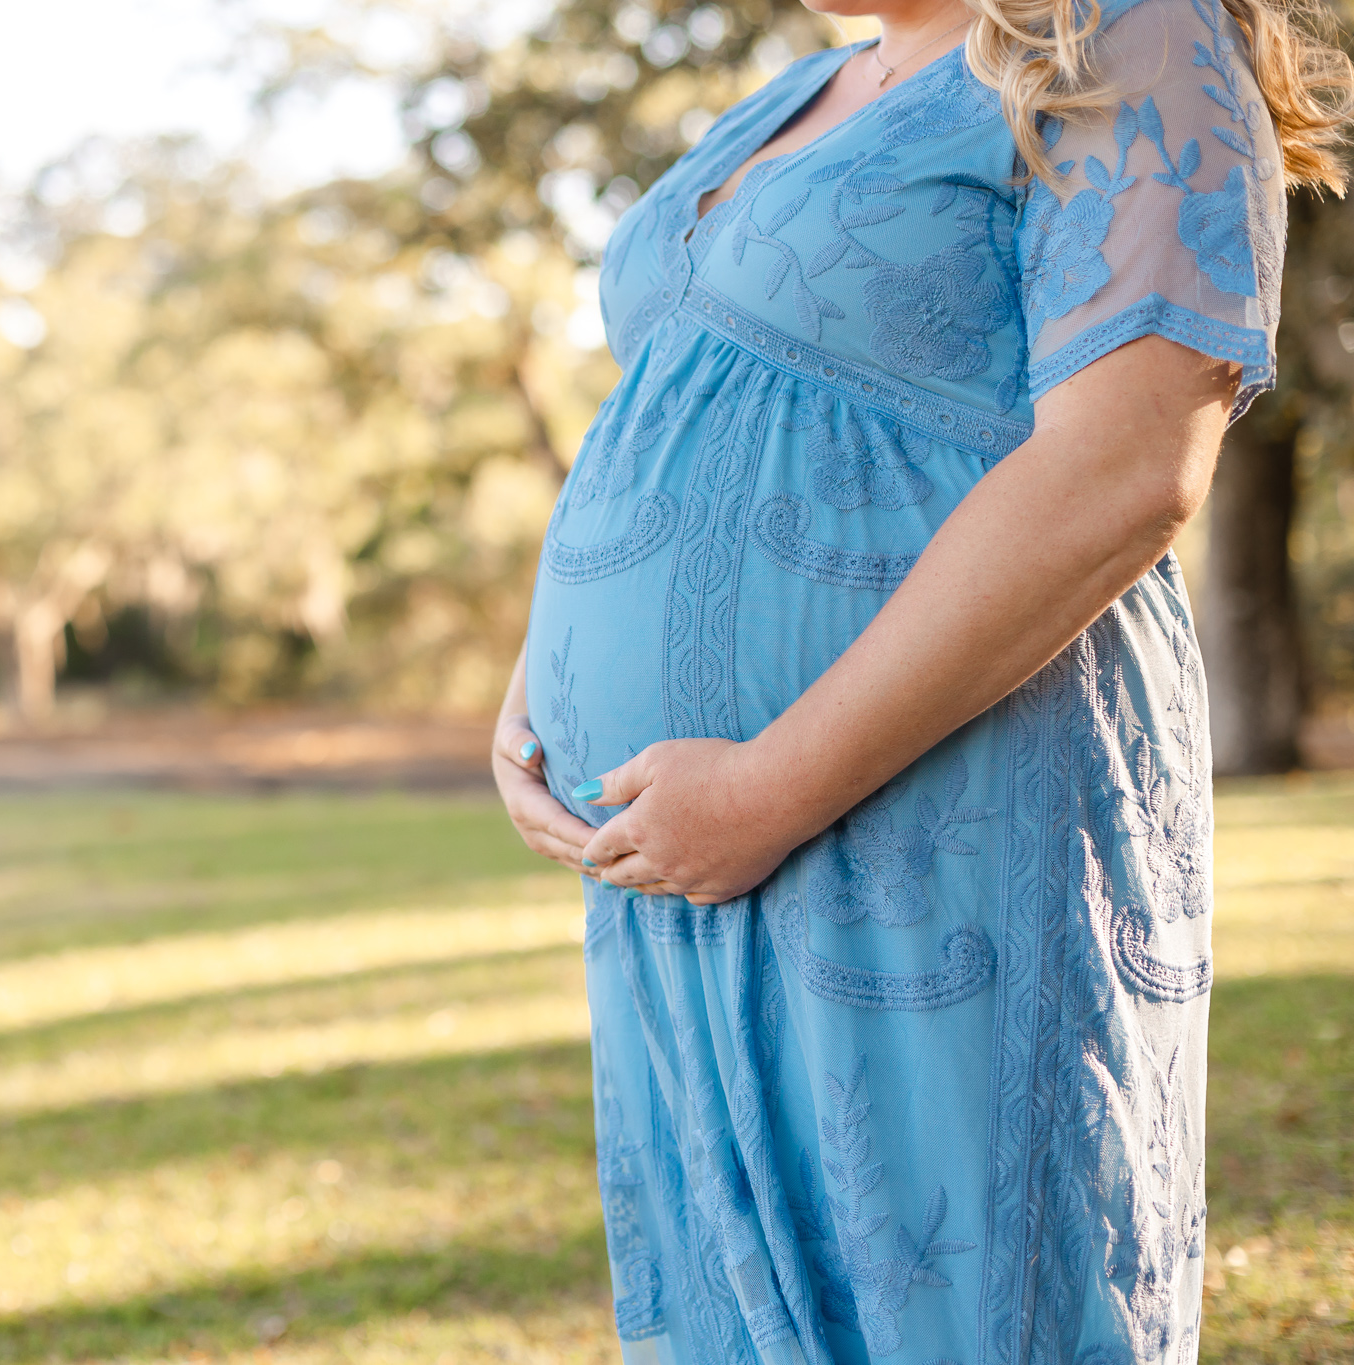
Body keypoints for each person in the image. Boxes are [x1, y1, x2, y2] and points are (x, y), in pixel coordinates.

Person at [490, 0, 1351, 1359]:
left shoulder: (1124, 32)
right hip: (691, 856)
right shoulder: (798, 96)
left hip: (935, 806)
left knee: (957, 1306)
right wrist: (545, 682)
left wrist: (774, 782)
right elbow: (678, 413)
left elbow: (1125, 471)